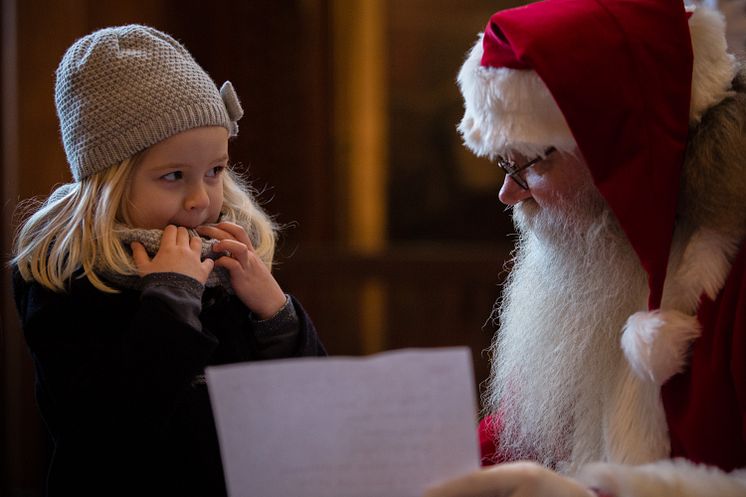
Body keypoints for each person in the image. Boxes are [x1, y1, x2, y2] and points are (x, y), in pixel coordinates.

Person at [425, 0, 746, 496]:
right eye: (502, 166)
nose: (507, 194)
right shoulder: (592, 259)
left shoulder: (734, 271)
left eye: (527, 163)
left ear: (618, 149)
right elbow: (519, 440)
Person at [11, 25, 326, 497]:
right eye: (173, 175)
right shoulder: (71, 279)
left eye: (215, 171)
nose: (201, 198)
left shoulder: (223, 262)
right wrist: (171, 302)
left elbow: (309, 402)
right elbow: (101, 432)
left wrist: (276, 315)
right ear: (109, 183)